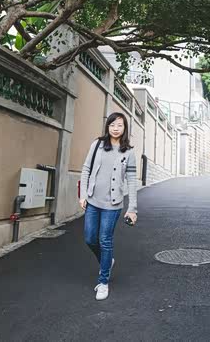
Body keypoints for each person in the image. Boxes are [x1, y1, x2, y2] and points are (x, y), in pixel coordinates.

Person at [79, 112, 138, 301]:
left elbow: (131, 181)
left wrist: (132, 208)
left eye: (120, 125)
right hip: (93, 200)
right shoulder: (97, 144)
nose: (115, 128)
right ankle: (107, 261)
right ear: (107, 126)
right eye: (112, 125)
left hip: (113, 204)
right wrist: (83, 195)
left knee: (105, 240)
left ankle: (103, 282)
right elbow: (86, 169)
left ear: (124, 128)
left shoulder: (128, 152)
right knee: (90, 238)